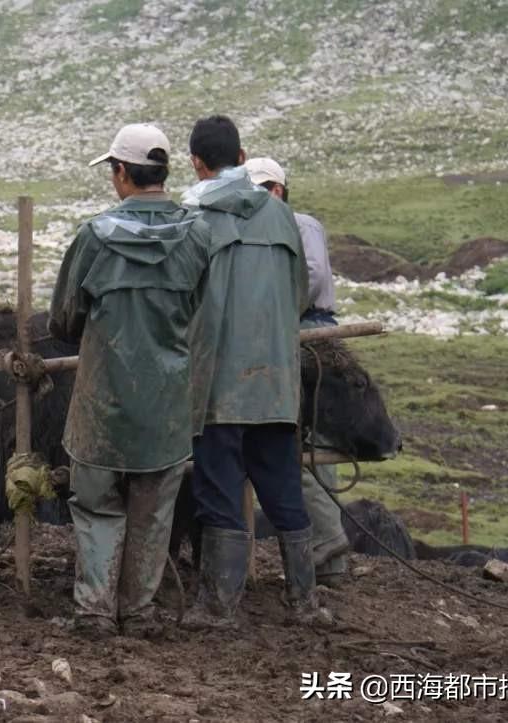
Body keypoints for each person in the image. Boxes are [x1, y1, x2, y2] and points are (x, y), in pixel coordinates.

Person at [49, 123, 209, 639]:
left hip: (103, 403)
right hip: (165, 406)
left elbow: (65, 320)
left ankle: (94, 611)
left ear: (121, 173)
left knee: (97, 508)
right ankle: (139, 612)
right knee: (153, 513)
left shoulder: (95, 237)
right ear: (164, 173)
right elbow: (199, 309)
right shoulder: (197, 236)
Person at [181, 116, 330, 628]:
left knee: (219, 490)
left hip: (218, 383)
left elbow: (184, 302)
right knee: (284, 486)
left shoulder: (191, 216)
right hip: (275, 382)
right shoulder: (282, 216)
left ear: (196, 163)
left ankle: (219, 606)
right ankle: (303, 602)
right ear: (243, 157)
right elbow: (296, 294)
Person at [245, 157, 349, 587]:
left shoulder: (299, 224)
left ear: (276, 190)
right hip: (299, 332)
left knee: (300, 444)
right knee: (306, 443)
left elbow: (308, 275)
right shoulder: (277, 227)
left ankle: (329, 540)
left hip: (305, 336)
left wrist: (268, 312)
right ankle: (328, 558)